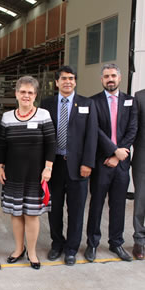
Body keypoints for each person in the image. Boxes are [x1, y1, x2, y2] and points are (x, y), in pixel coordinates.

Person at [40, 65, 98, 266]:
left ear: (75, 81)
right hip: (53, 166)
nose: (68, 82)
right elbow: (42, 136)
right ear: (56, 82)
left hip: (78, 167)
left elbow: (91, 136)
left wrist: (88, 163)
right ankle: (57, 244)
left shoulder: (87, 104)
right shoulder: (46, 104)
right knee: (54, 209)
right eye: (63, 78)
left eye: (71, 78)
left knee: (76, 210)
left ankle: (72, 248)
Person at [0, 76, 56, 270]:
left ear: (35, 95)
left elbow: (51, 144)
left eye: (30, 92)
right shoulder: (6, 117)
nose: (26, 95)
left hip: (35, 175)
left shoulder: (43, 115)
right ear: (16, 94)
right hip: (13, 174)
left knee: (31, 215)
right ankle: (17, 249)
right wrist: (0, 166)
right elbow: (2, 145)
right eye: (22, 92)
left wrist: (48, 168)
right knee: (16, 213)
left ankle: (31, 252)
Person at [84, 63, 137, 262]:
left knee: (118, 205)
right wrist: (112, 151)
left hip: (121, 164)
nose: (110, 79)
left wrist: (119, 154)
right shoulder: (93, 102)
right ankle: (92, 244)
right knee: (96, 204)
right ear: (101, 80)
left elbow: (132, 129)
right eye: (106, 76)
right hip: (102, 162)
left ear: (120, 78)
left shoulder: (130, 102)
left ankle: (116, 243)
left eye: (113, 75)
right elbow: (95, 130)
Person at [131, 89, 145, 259]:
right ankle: (139, 240)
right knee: (141, 198)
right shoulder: (140, 96)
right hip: (143, 155)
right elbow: (133, 127)